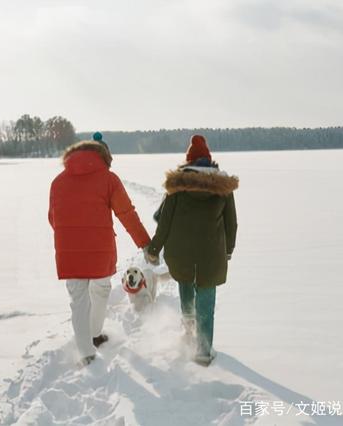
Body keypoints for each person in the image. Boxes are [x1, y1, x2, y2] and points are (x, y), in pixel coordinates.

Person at [49, 140, 151, 366]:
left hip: (69, 252)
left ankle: (86, 353)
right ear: (103, 156)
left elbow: (52, 218)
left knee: (78, 300)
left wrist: (69, 236)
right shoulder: (109, 179)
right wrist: (144, 242)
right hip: (100, 250)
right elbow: (126, 213)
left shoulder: (57, 182)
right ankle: (94, 334)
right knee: (101, 290)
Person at [145, 134, 238, 366]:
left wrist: (154, 249)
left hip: (181, 252)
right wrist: (228, 250)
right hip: (211, 254)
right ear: (209, 159)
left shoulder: (177, 188)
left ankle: (188, 333)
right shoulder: (222, 187)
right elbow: (231, 223)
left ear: (188, 160)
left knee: (186, 287)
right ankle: (204, 350)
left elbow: (164, 222)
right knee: (206, 298)